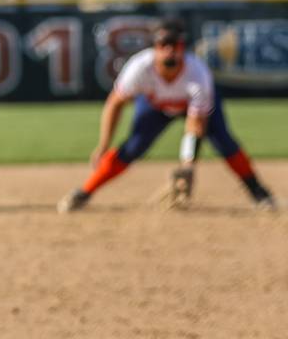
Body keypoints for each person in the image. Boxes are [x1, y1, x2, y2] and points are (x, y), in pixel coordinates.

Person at [58, 17, 274, 213]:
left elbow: (195, 123)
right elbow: (115, 104)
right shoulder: (139, 68)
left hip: (195, 107)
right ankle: (84, 192)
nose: (170, 51)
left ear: (183, 48)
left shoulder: (198, 75)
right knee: (133, 146)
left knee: (224, 142)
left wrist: (187, 164)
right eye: (163, 45)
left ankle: (259, 192)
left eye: (175, 45)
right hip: (156, 106)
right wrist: (103, 145)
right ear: (155, 48)